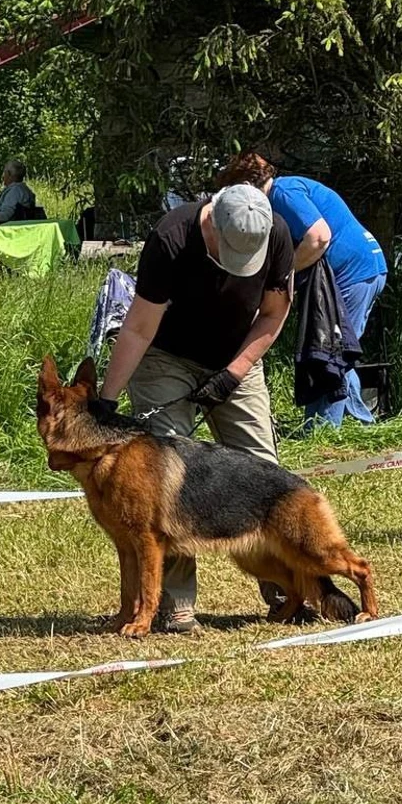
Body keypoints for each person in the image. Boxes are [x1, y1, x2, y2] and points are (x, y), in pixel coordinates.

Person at [96, 183, 295, 633]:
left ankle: (289, 589)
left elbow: (272, 315)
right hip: (165, 357)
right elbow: (138, 328)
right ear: (213, 225)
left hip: (237, 354)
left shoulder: (276, 234)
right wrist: (107, 400)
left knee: (264, 469)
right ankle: (175, 603)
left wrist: (234, 374)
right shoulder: (171, 237)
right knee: (164, 480)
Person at [217, 152, 387, 427]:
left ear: (247, 185)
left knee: (330, 351)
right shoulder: (285, 191)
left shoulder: (283, 193)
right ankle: (360, 421)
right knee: (342, 350)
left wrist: (284, 274)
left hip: (353, 273)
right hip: (367, 269)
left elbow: (318, 237)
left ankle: (322, 428)